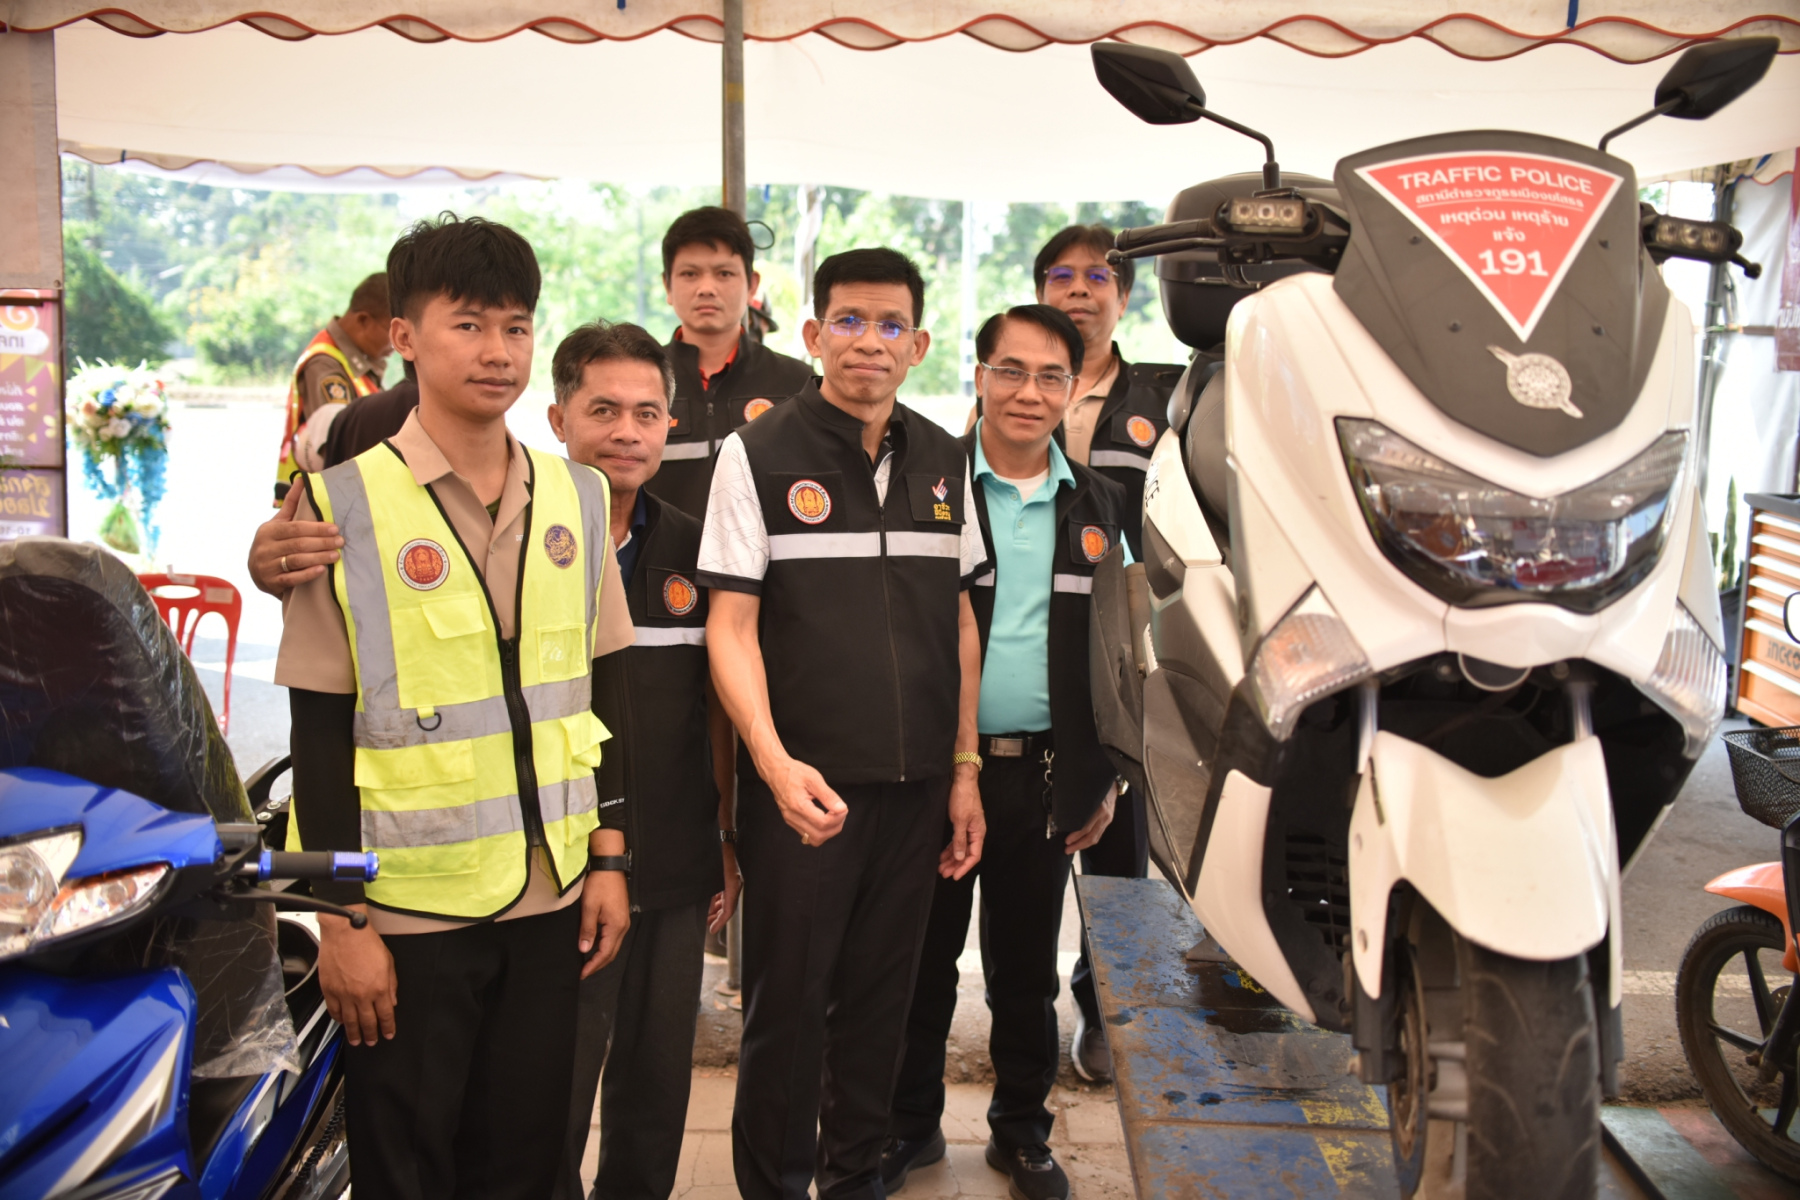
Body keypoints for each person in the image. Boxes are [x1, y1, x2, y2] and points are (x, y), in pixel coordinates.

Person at [274, 214, 633, 1200]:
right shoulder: (341, 505)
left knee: (526, 1162)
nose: (497, 352)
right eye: (468, 324)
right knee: (408, 1168)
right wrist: (339, 920)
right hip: (405, 918)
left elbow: (608, 696)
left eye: (516, 327)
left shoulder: (578, 496)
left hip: (552, 896)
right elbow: (315, 733)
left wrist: (610, 859)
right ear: (404, 336)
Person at [701, 248, 987, 1200]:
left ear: (919, 345)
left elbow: (960, 621)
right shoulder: (756, 454)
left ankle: (855, 1181)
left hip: (916, 793)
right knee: (787, 1017)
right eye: (850, 322)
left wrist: (963, 769)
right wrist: (773, 765)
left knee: (880, 1013)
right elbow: (730, 628)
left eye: (891, 324)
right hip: (805, 797)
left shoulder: (946, 458)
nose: (871, 341)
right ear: (814, 335)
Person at [883, 306, 1130, 1200]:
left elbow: (1119, 652)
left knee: (1026, 974)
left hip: (1044, 776)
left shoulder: (1096, 504)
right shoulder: (923, 486)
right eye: (1011, 371)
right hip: (932, 774)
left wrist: (1107, 777)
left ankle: (1022, 1132)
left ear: (1074, 386)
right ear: (980, 375)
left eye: (1052, 375)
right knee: (919, 964)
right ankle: (907, 1129)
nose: (1031, 392)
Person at [544, 322, 740, 1200]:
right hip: (554, 866)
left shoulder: (698, 550)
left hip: (674, 857)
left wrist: (724, 839)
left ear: (669, 425)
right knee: (554, 1077)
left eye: (646, 413)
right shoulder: (521, 543)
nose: (627, 431)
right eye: (604, 411)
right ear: (559, 419)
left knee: (657, 1080)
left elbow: (716, 713)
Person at [1031, 225, 1178, 1083]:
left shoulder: (1166, 394)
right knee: (1038, 833)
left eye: (1097, 277)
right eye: (1062, 276)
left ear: (1123, 297)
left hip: (1127, 638)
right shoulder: (1014, 386)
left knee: (1119, 842)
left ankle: (1107, 1010)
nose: (1079, 290)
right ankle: (1028, 1012)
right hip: (1034, 637)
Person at [649, 206, 813, 519]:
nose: (706, 288)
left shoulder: (797, 383)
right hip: (663, 552)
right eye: (689, 274)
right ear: (667, 285)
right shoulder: (639, 382)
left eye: (724, 273)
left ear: (752, 285)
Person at [274, 272, 392, 502]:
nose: (398, 342)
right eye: (391, 330)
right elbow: (335, 441)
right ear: (363, 320)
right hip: (322, 503)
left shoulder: (359, 363)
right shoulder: (325, 365)